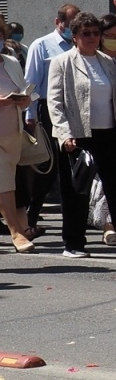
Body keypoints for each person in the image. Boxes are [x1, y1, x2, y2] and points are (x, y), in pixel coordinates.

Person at [46, 12, 116, 258]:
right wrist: (64, 134)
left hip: (109, 133)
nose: (91, 37)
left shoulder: (106, 62)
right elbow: (55, 102)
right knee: (76, 191)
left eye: (95, 33)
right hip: (78, 136)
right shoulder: (63, 62)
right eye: (85, 33)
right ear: (75, 36)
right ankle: (74, 243)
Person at [23, 3, 80, 230]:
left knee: (77, 166)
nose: (72, 29)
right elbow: (31, 82)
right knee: (50, 168)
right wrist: (30, 114)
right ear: (59, 22)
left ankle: (76, 219)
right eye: (69, 24)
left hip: (78, 109)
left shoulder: (80, 44)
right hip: (50, 110)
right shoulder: (42, 45)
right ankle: (31, 216)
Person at [0, 36, 38, 251]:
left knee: (8, 181)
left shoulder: (11, 62)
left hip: (13, 134)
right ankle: (16, 233)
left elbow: (25, 92)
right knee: (4, 182)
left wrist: (25, 100)